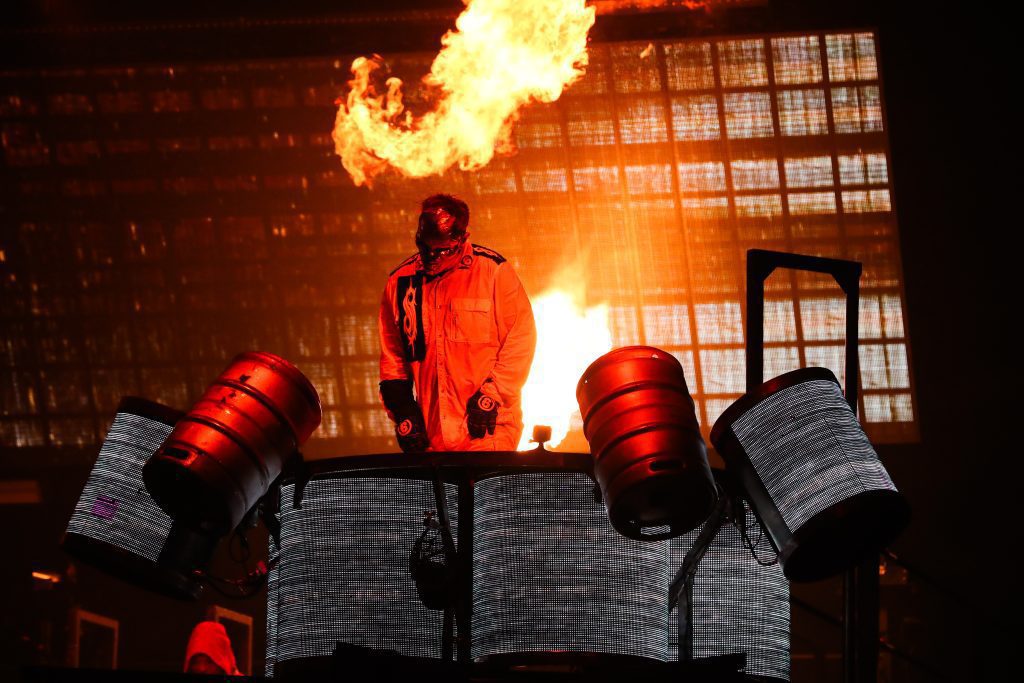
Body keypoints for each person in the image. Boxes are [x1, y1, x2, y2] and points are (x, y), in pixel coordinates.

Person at [378, 194, 536, 452]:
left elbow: (520, 340)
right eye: (423, 247)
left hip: (488, 430)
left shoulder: (493, 272)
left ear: (462, 238)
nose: (430, 257)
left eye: (440, 250)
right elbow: (393, 359)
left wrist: (491, 395)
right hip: (432, 439)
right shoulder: (401, 283)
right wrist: (403, 409)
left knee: (484, 492)